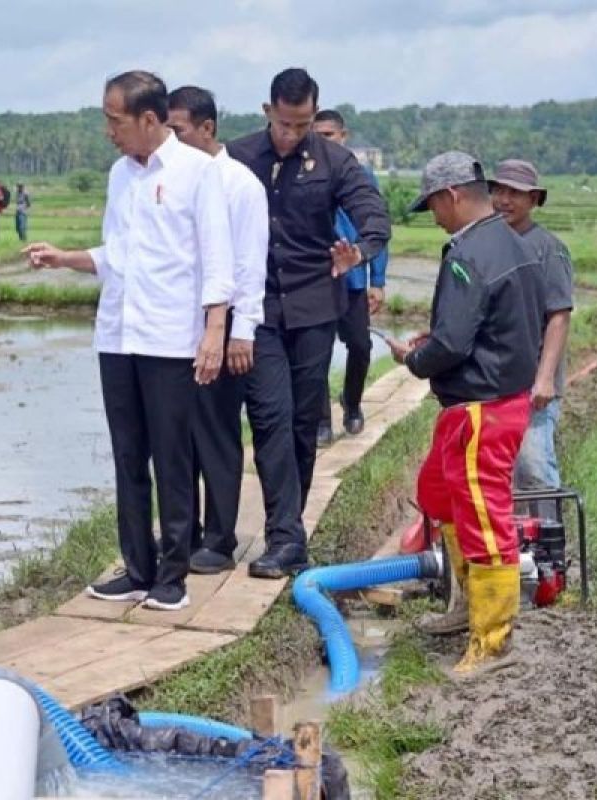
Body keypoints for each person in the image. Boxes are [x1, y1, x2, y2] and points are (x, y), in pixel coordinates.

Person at [23, 70, 233, 610]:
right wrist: (65, 258)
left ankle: (172, 577)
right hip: (118, 333)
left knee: (172, 458)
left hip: (169, 338)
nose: (108, 131)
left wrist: (214, 332)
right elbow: (116, 254)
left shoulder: (198, 172)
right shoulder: (121, 174)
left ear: (148, 119)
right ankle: (137, 568)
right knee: (127, 455)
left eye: (114, 120)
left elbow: (217, 260)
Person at [386, 151, 545, 675]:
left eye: (433, 205)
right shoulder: (509, 242)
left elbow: (454, 342)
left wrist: (416, 358)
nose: (433, 216)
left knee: (483, 516)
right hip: (489, 400)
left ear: (451, 196)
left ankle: (493, 640)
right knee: (441, 494)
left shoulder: (468, 254)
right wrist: (436, 341)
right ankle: (465, 607)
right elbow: (486, 325)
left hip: (484, 407)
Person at [227, 68, 390, 578]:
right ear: (267, 111)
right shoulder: (236, 158)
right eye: (284, 124)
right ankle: (284, 536)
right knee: (270, 417)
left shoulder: (335, 161)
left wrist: (357, 252)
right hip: (257, 310)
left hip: (316, 308)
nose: (293, 135)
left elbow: (374, 218)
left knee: (302, 421)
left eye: (303, 125)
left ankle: (289, 529)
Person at [165, 85, 268, 574]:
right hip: (172, 332)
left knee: (216, 434)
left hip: (220, 330)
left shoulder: (238, 183)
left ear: (207, 128)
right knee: (176, 436)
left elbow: (248, 263)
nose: (171, 138)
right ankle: (181, 533)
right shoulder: (169, 178)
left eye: (178, 130)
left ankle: (219, 538)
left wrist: (241, 330)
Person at [490, 160, 573, 503]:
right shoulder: (489, 244)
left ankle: (549, 549)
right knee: (496, 472)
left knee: (533, 467)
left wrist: (545, 378)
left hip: (532, 385)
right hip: (494, 381)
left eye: (516, 193)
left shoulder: (547, 249)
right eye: (500, 191)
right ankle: (510, 549)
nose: (505, 200)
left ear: (534, 199)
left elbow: (558, 315)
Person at [310, 109, 389, 445]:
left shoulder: (361, 175)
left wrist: (378, 280)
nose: (323, 141)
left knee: (359, 344)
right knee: (316, 351)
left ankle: (352, 402)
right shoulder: (305, 173)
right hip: (316, 278)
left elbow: (377, 228)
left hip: (353, 278)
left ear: (343, 136)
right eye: (318, 134)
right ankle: (321, 421)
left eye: (329, 135)